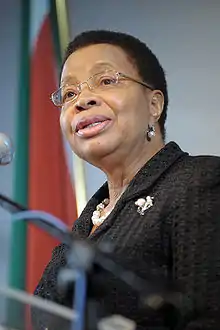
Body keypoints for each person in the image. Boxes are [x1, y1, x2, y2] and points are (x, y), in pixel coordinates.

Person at [34, 30, 220, 329]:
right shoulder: (82, 227)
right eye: (69, 93)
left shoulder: (200, 182)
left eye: (106, 80)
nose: (81, 100)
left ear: (154, 105)